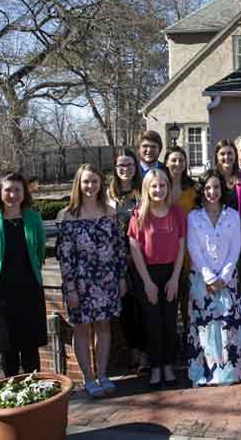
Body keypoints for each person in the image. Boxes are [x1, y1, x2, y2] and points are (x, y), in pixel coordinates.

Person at [57, 164, 127, 397]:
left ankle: (103, 374)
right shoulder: (68, 215)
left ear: (101, 184)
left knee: (104, 327)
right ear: (79, 184)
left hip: (106, 279)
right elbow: (65, 256)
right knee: (82, 329)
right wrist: (70, 287)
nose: (90, 186)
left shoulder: (110, 212)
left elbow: (119, 249)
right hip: (80, 282)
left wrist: (121, 277)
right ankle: (88, 378)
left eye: (94, 181)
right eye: (86, 181)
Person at [186, 169, 241, 386]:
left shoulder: (233, 215)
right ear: (202, 190)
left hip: (228, 280)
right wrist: (209, 277)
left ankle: (233, 371)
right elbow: (194, 248)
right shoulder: (194, 216)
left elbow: (236, 247)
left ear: (222, 189)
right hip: (202, 280)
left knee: (229, 324)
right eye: (207, 188)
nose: (212, 192)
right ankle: (207, 371)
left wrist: (224, 276)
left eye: (216, 187)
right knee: (206, 327)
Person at [0, 172, 47, 377]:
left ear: (24, 192)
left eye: (17, 189)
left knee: (30, 345)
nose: (13, 194)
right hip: (1, 294)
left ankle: (36, 393)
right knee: (7, 346)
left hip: (29, 290)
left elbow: (39, 251)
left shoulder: (33, 219)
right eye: (8, 190)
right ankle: (12, 391)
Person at [128, 168, 187, 389]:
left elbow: (181, 248)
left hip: (171, 272)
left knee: (169, 322)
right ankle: (155, 368)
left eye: (162, 185)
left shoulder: (177, 213)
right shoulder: (138, 214)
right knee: (152, 323)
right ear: (146, 189)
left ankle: (168, 366)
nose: (158, 189)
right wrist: (147, 282)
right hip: (147, 275)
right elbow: (135, 249)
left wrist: (174, 279)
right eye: (154, 186)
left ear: (168, 188)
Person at [108, 147, 147, 372]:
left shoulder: (142, 192)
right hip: (118, 259)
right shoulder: (109, 195)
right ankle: (133, 350)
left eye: (130, 165)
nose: (125, 169)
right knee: (126, 309)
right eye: (121, 165)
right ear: (115, 168)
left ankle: (144, 353)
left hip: (143, 256)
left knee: (143, 307)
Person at [164, 146, 197, 334]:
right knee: (168, 299)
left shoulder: (192, 188)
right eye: (173, 160)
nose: (177, 164)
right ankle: (170, 340)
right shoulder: (159, 185)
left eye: (181, 160)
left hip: (188, 248)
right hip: (165, 248)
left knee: (188, 297)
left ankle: (188, 337)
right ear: (166, 162)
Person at [214, 139, 240, 209]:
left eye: (230, 153)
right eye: (222, 154)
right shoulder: (211, 178)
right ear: (217, 157)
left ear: (235, 155)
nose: (226, 157)